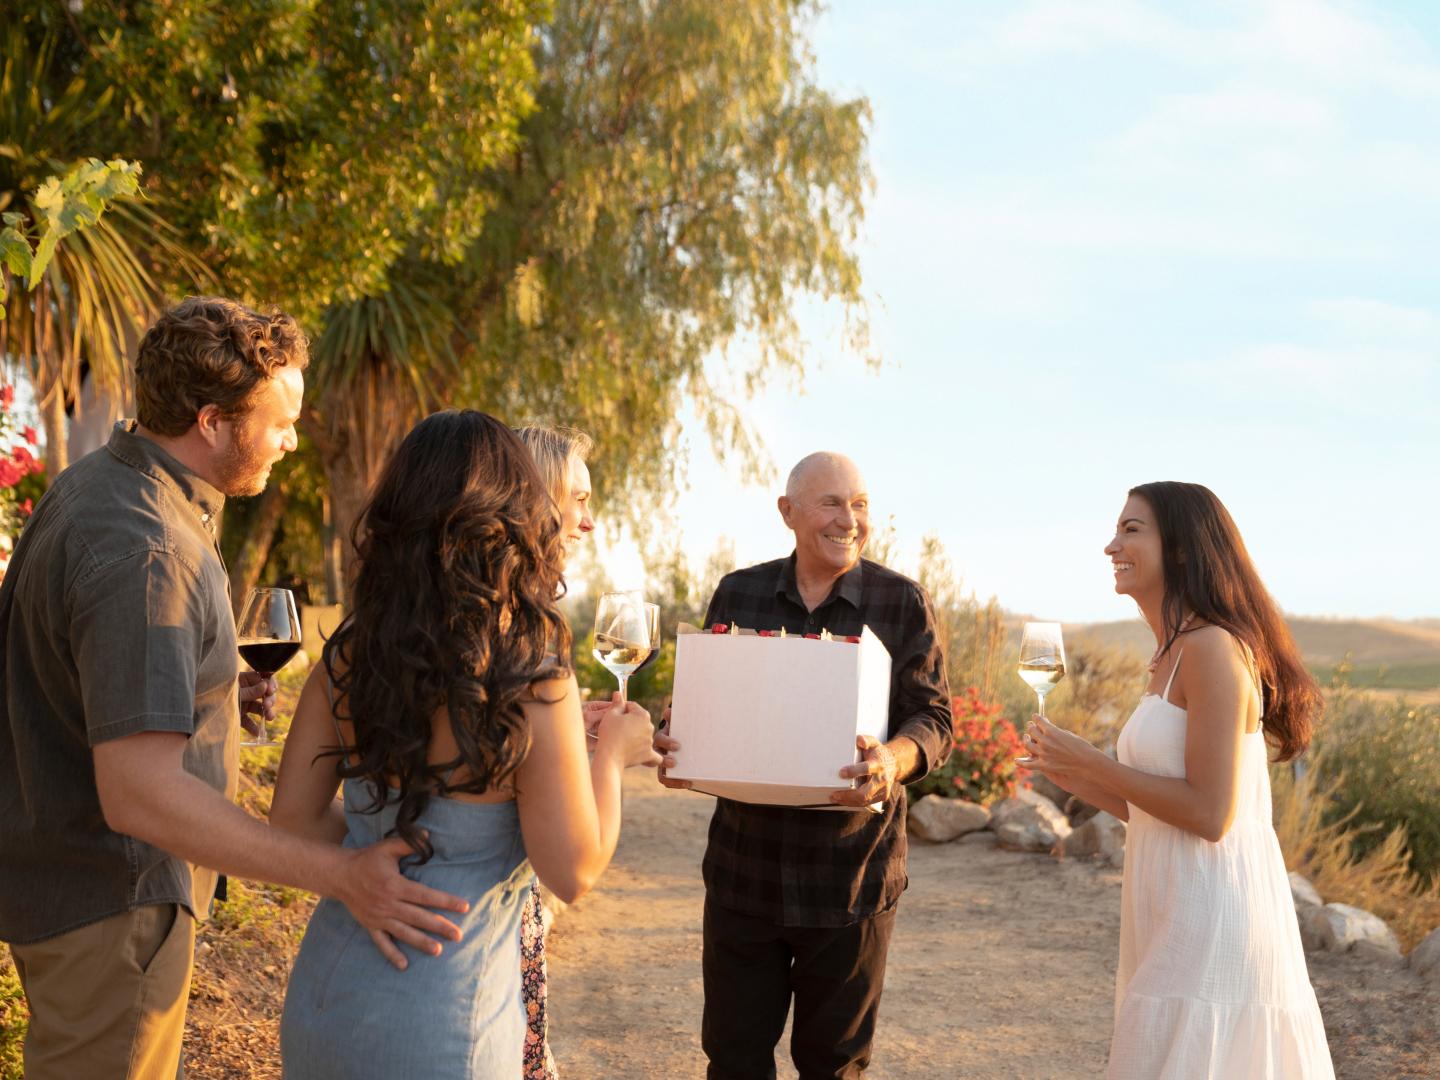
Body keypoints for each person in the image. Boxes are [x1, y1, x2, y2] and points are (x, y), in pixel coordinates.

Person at [0, 297, 468, 1080]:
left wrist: (204, 685)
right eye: (279, 421)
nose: (291, 441)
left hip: (67, 892)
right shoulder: (150, 548)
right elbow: (139, 794)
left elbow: (68, 673)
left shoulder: (96, 486)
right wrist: (340, 875)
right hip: (113, 910)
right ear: (212, 421)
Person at [272, 409, 660, 1078]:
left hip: (325, 1004)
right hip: (446, 1026)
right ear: (509, 516)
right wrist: (613, 756)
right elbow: (574, 870)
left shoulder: (345, 659)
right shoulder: (532, 677)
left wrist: (386, 837)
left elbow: (294, 823)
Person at [1019, 482, 1335, 1079]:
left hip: (1214, 915)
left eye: (1132, 529)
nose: (1111, 544)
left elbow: (1211, 814)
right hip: (1171, 906)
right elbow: (1155, 806)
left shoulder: (1213, 648)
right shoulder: (1168, 653)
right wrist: (1071, 773)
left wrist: (1093, 762)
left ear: (1183, 549)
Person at [654, 451, 952, 1080]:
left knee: (835, 1067)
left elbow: (934, 721)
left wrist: (891, 762)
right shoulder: (738, 592)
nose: (850, 519)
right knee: (733, 1062)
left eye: (861, 503)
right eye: (832, 503)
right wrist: (677, 732)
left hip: (851, 881)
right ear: (787, 512)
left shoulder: (903, 602)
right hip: (744, 876)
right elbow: (705, 707)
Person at [514, 422, 596, 1078]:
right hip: (482, 951)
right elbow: (574, 869)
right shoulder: (530, 651)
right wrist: (613, 759)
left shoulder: (392, 632)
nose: (587, 523)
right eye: (579, 500)